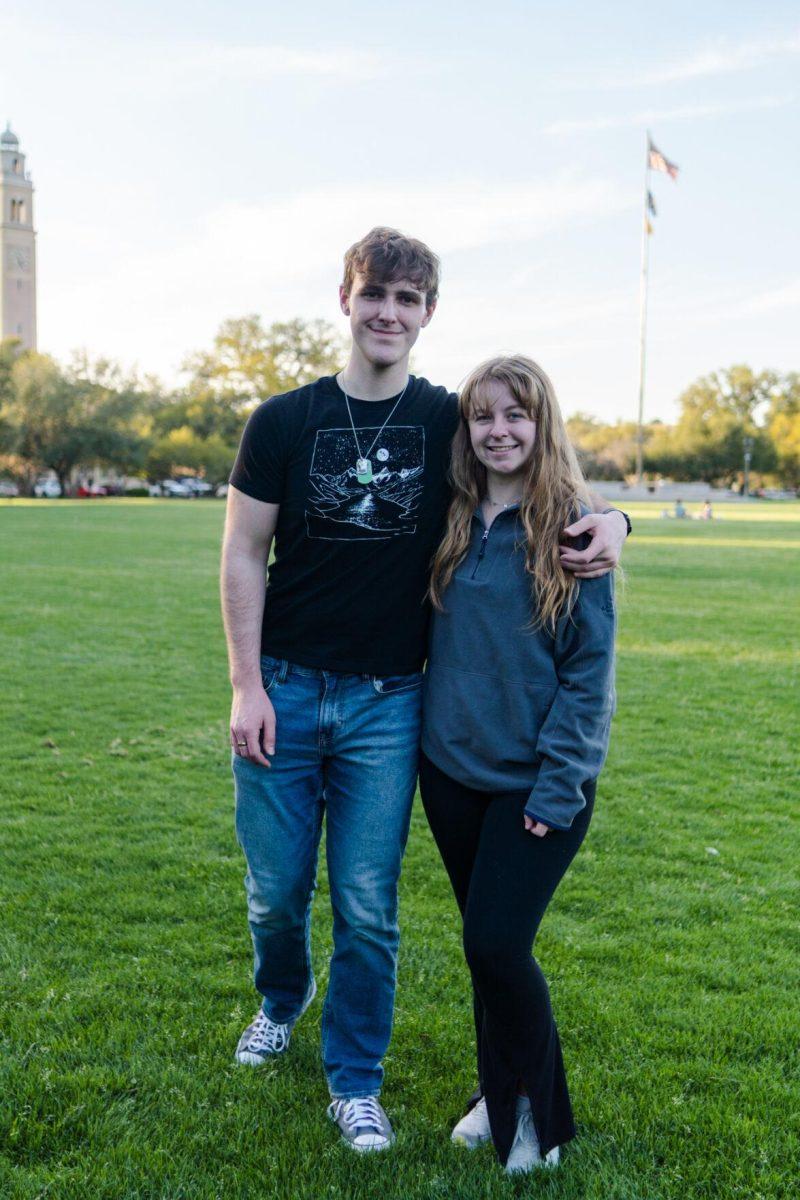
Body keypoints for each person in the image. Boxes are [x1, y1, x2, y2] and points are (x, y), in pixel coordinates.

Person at [220, 228, 629, 1153]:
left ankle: (356, 1080)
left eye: (409, 300)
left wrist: (619, 520)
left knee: (368, 902)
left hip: (388, 704)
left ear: (428, 314)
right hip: (283, 690)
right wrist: (247, 685)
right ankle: (281, 1001)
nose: (390, 314)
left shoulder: (445, 416)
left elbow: (535, 454)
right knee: (275, 895)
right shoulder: (284, 420)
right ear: (346, 299)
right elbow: (243, 550)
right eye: (376, 295)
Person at [420, 354, 616, 1174]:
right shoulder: (450, 512)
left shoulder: (573, 528)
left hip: (537, 784)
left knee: (499, 944)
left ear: (542, 423)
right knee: (481, 946)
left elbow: (588, 673)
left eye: (516, 415)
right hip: (450, 772)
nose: (498, 431)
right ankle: (493, 1098)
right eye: (483, 416)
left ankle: (540, 1117)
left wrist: (559, 783)